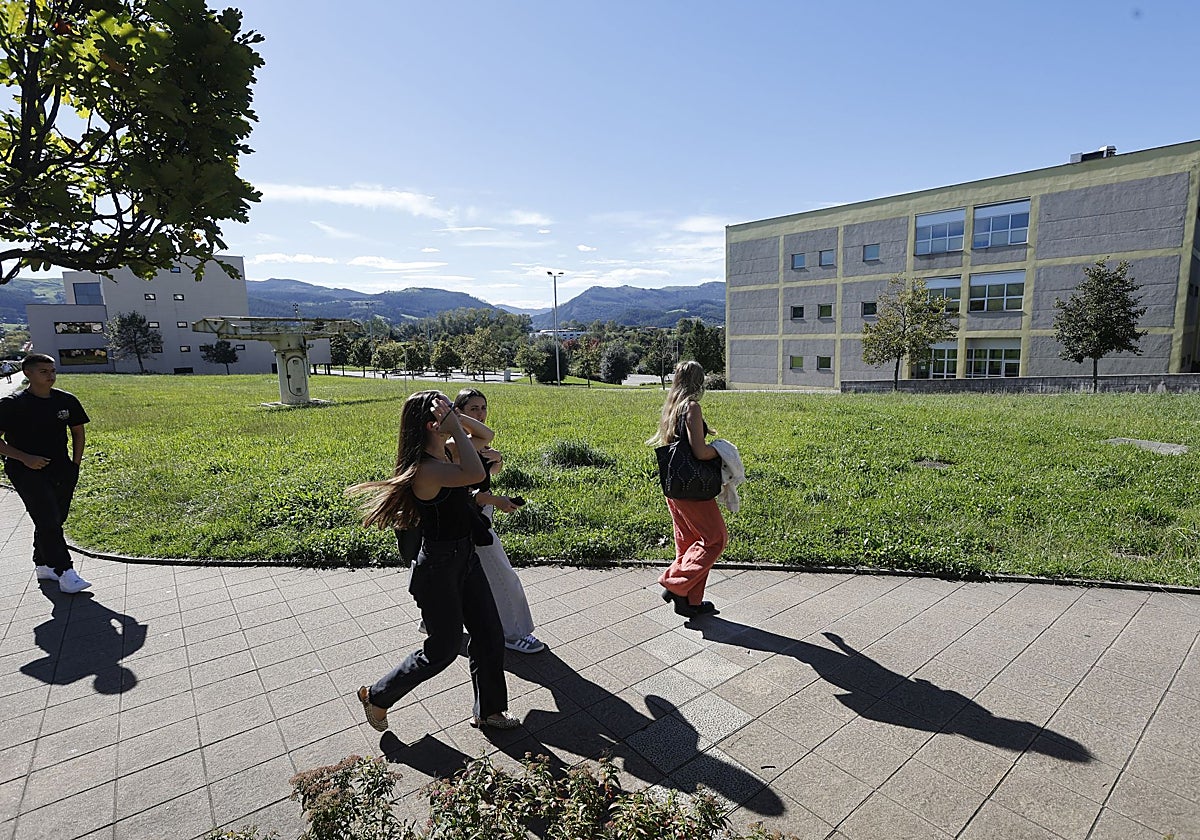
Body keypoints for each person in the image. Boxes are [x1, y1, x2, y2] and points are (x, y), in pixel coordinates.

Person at [350, 390, 519, 732]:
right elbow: (474, 473)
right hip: (439, 569)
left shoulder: (444, 452)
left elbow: (486, 436)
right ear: (432, 424)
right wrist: (455, 425)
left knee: (489, 634)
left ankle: (489, 711)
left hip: (465, 557)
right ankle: (378, 695)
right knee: (441, 650)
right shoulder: (425, 470)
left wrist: (452, 417)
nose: (454, 419)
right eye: (443, 415)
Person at [451, 388, 544, 654]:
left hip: (473, 517)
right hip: (473, 519)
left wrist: (498, 459)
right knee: (503, 576)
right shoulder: (457, 444)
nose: (480, 414)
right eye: (473, 410)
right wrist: (496, 501)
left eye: (483, 408)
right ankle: (515, 634)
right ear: (459, 413)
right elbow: (467, 494)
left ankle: (437, 623)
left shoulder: (470, 442)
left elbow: (488, 472)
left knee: (457, 574)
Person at [0, 353, 92, 593]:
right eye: (44, 371)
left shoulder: (66, 400)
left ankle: (42, 564)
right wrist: (25, 458)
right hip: (25, 470)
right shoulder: (11, 404)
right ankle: (65, 572)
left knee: (55, 519)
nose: (50, 376)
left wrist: (75, 464)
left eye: (52, 371)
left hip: (62, 468)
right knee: (48, 520)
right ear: (27, 373)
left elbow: (78, 433)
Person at [648, 361, 726, 618]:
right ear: (699, 382)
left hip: (675, 486)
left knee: (689, 544)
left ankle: (690, 602)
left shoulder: (672, 407)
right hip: (694, 489)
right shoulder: (692, 407)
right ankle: (674, 583)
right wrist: (723, 451)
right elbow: (700, 451)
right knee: (715, 539)